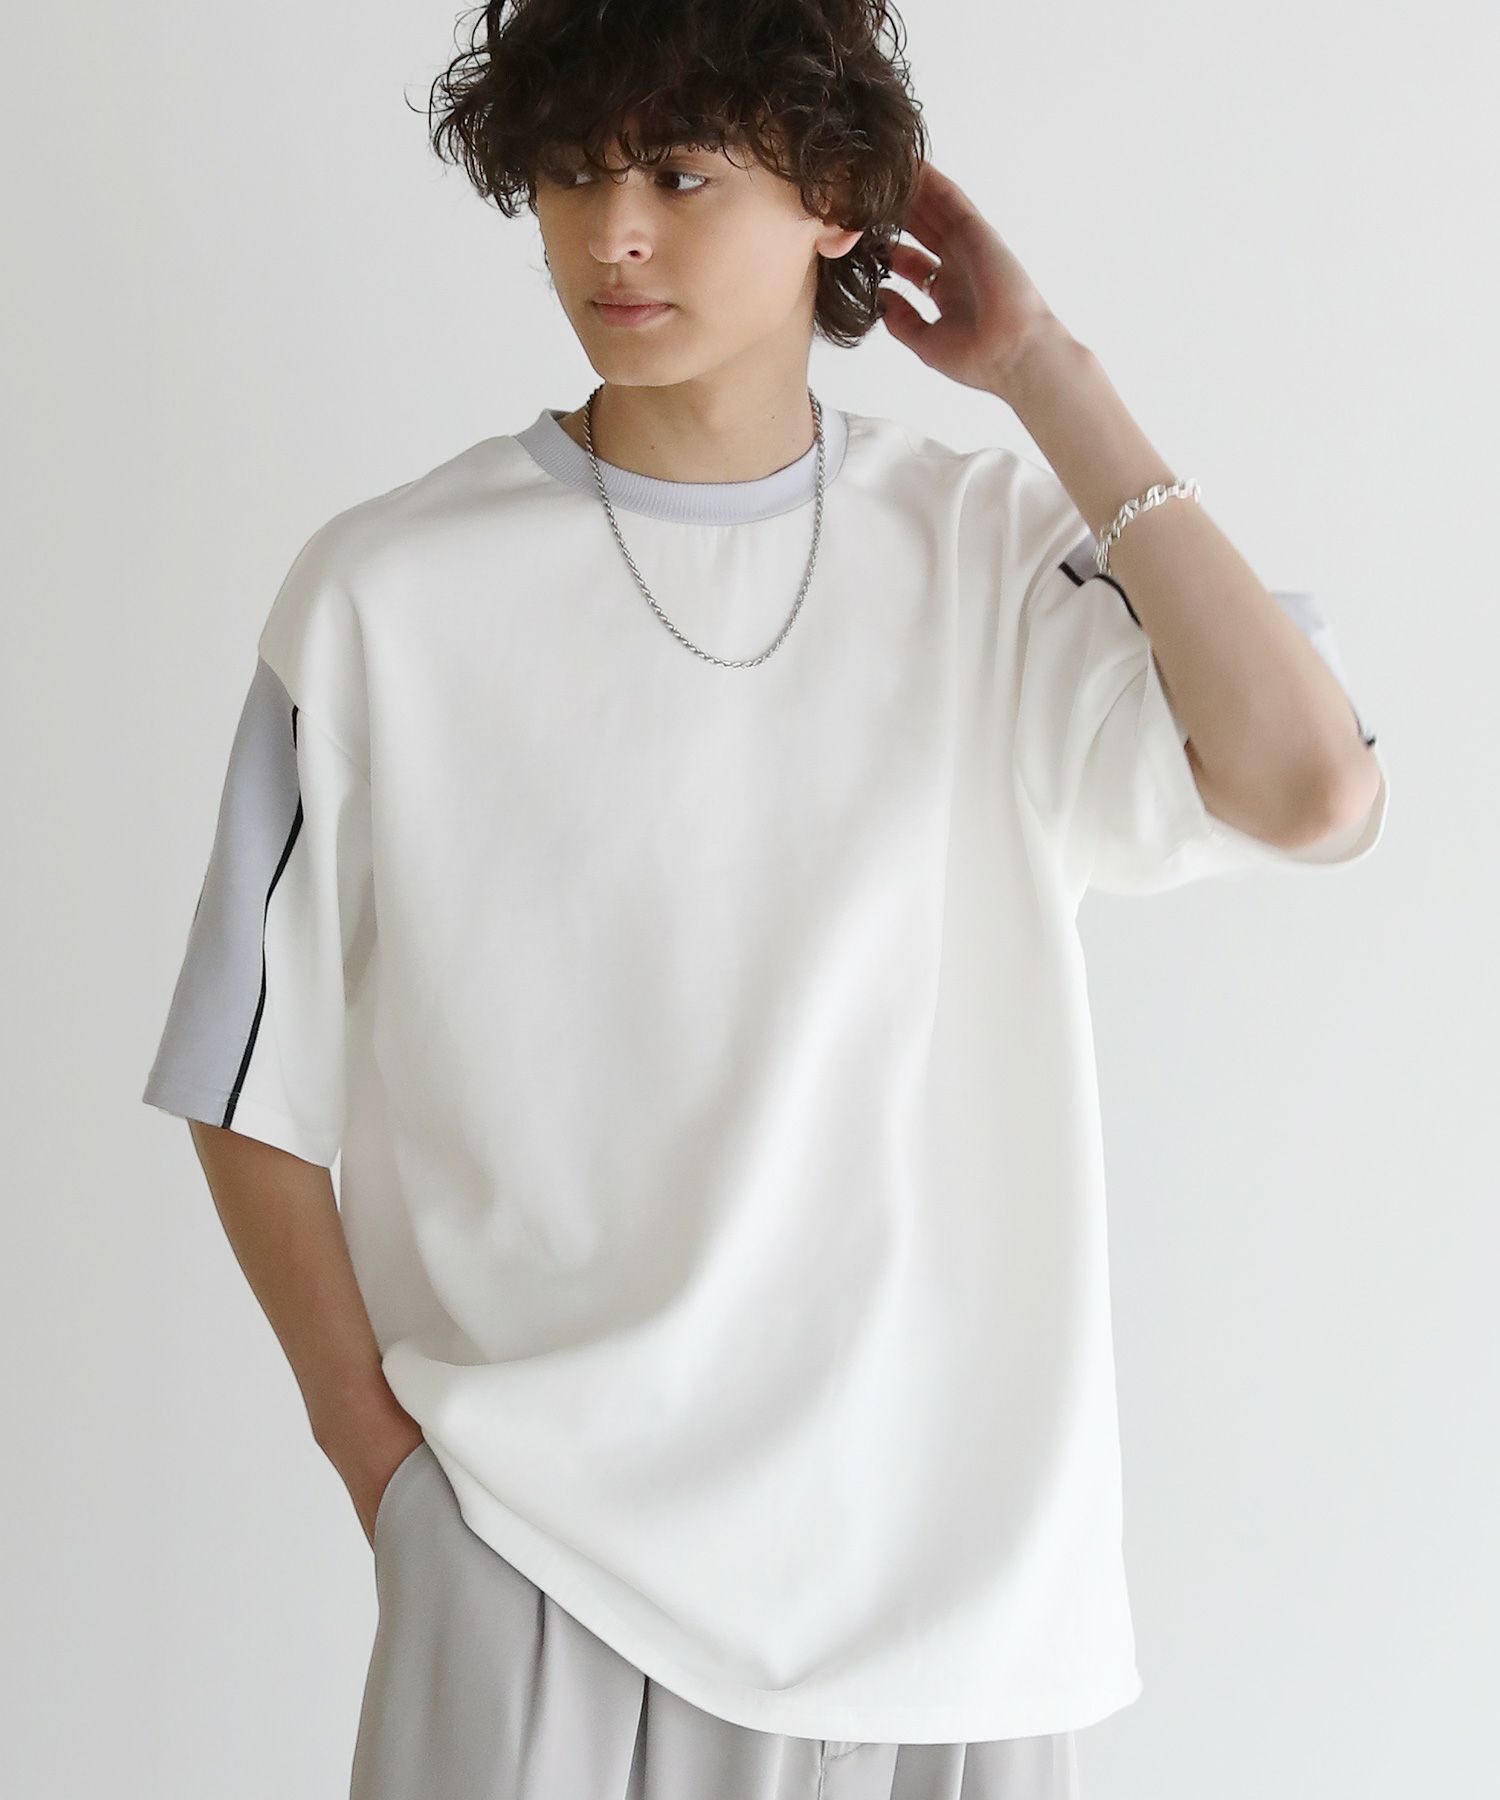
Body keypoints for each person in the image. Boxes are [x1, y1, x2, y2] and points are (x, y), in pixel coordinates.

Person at [139, 2, 1388, 1797]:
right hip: (541, 1567)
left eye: (678, 174)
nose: (611, 234)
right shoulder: (383, 596)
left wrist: (1049, 373)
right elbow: (242, 1072)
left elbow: (1315, 789)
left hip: (952, 1611)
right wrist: (382, 1469)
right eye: (573, 176)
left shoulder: (992, 556)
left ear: (838, 202)